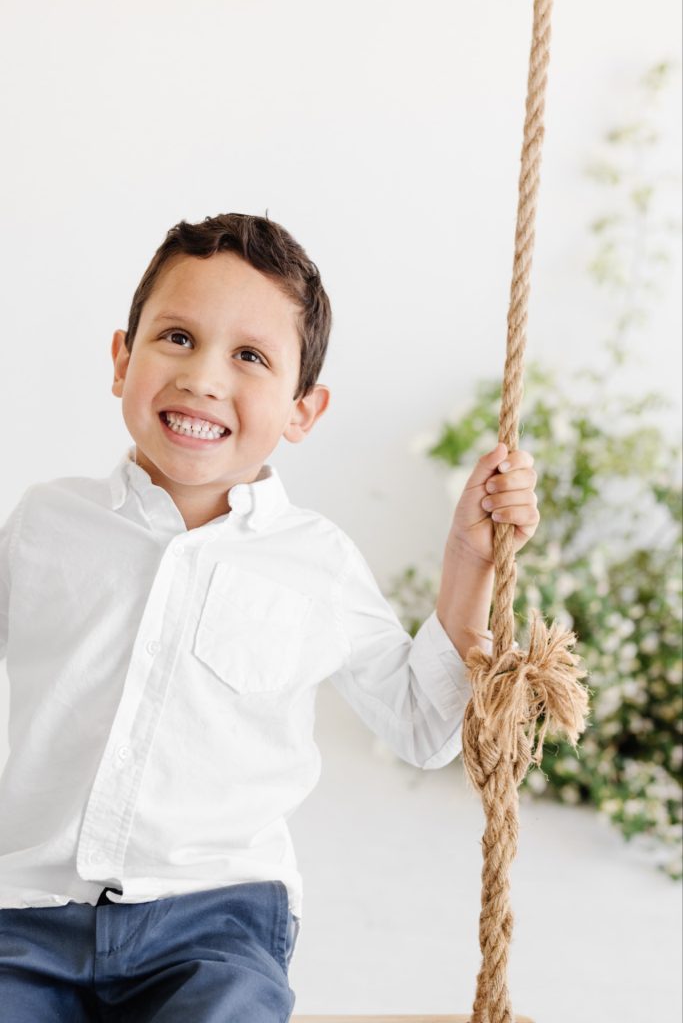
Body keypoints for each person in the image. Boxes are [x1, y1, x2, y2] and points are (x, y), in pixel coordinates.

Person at [0, 212, 539, 1021]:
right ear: (121, 359)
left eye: (249, 356)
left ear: (302, 411)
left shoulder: (314, 561)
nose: (202, 378)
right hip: (28, 912)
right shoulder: (48, 522)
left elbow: (423, 726)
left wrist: (469, 560)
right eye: (176, 338)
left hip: (213, 919)